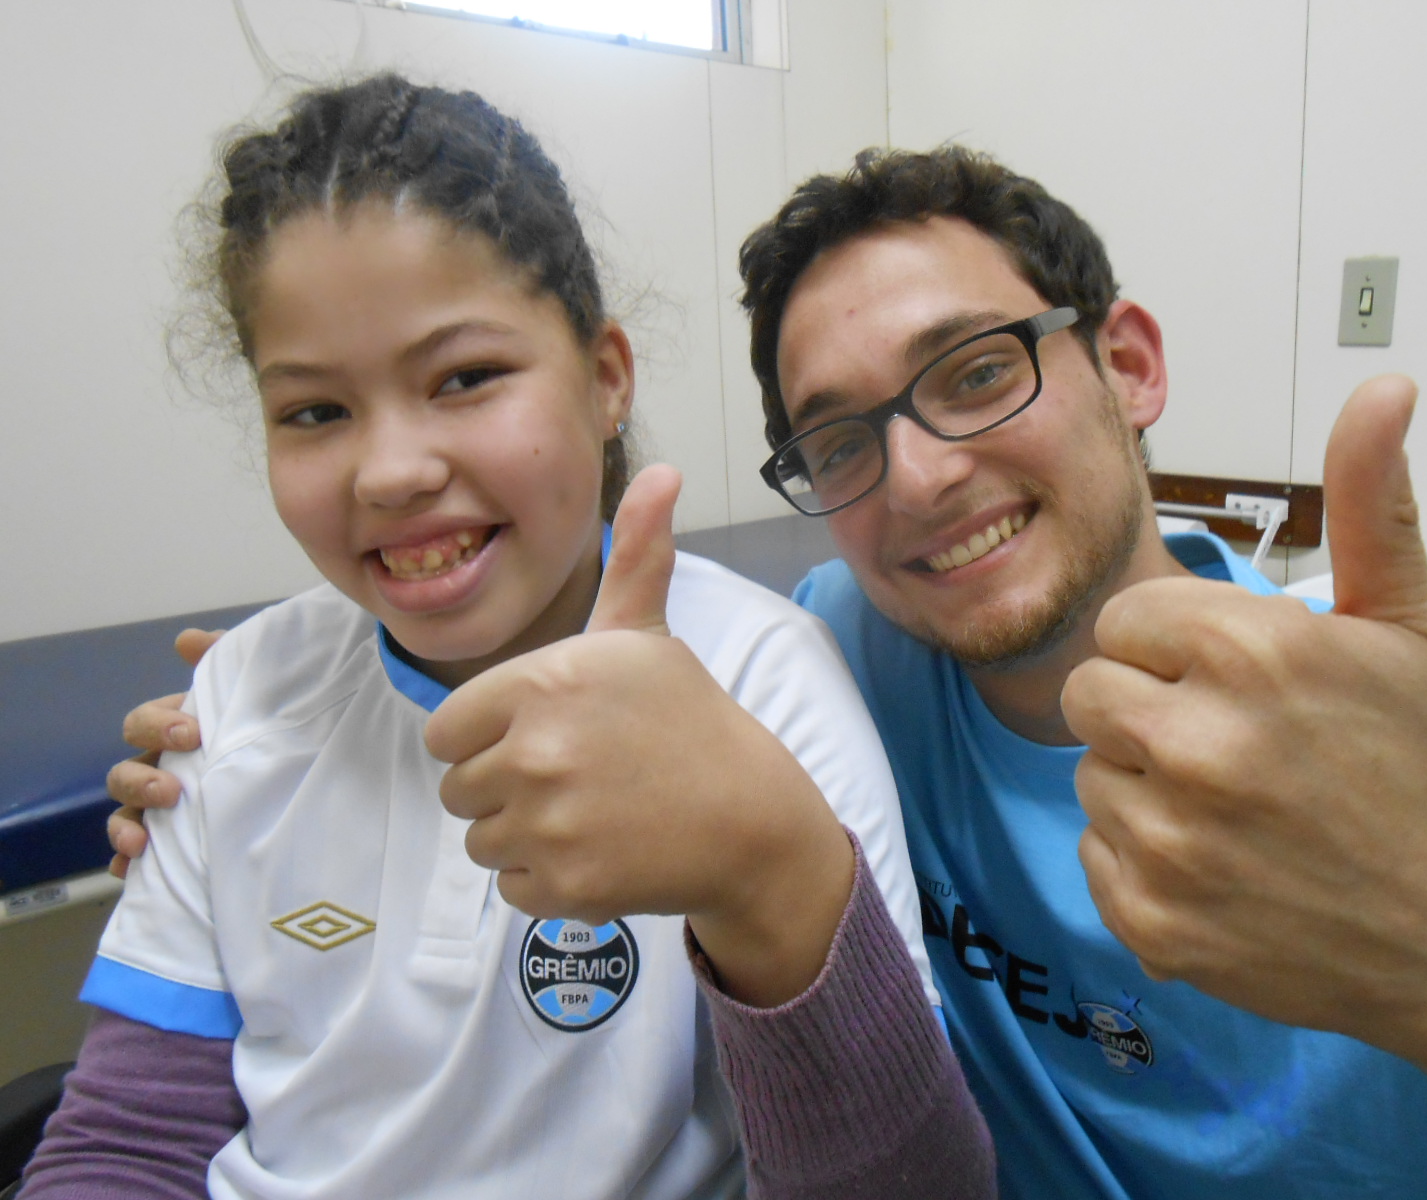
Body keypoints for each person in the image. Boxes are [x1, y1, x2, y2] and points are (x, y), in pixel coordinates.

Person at [107, 146, 1427, 1200]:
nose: (924, 477)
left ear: (1129, 365)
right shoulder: (845, 649)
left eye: (976, 372)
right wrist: (257, 727)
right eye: (840, 437)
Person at [21, 82, 995, 1200]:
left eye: (466, 378)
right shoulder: (237, 692)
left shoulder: (758, 683)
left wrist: (764, 867)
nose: (390, 470)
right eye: (314, 412)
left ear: (604, 379)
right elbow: (127, 1146)